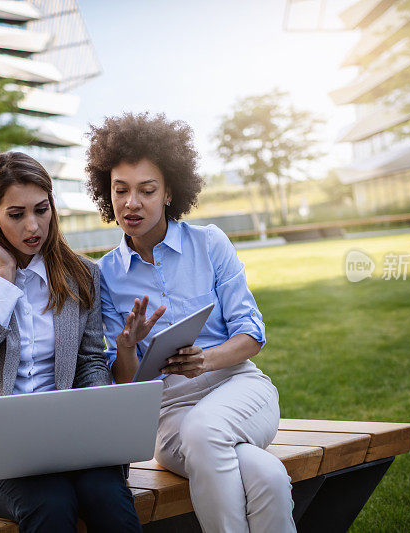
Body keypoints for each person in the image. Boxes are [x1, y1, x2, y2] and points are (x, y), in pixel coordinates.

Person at [86, 113, 295, 533]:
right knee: (268, 476)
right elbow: (122, 385)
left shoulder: (210, 243)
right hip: (171, 416)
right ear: (106, 193)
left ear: (168, 193)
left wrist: (206, 360)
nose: (131, 203)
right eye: (120, 190)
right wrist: (126, 347)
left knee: (207, 430)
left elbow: (252, 334)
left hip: (240, 389)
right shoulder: (104, 274)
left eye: (147, 190)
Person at [0, 151, 141, 533]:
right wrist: (5, 282)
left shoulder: (82, 275)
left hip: (70, 437)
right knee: (51, 501)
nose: (33, 226)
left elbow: (90, 362)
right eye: (16, 215)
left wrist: (99, 422)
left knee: (108, 495)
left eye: (41, 210)